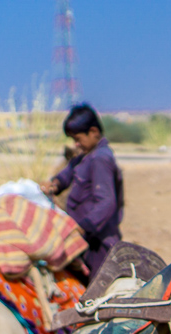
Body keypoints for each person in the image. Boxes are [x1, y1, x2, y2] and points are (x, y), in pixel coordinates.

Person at [41, 103, 124, 275]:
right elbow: (69, 171)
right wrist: (56, 184)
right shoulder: (86, 156)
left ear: (93, 132)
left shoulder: (101, 159)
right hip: (86, 239)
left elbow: (106, 203)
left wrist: (82, 227)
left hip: (98, 244)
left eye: (78, 139)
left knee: (94, 292)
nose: (76, 144)